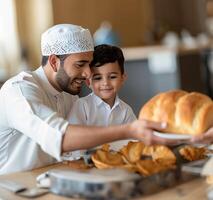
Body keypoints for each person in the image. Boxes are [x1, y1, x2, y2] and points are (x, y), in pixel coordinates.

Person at [0, 24, 167, 175]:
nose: (88, 73)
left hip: (51, 179)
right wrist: (129, 130)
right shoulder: (19, 91)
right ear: (53, 62)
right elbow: (60, 136)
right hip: (12, 188)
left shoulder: (69, 94)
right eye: (80, 65)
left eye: (89, 64)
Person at [68, 44, 136, 154]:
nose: (105, 83)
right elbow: (74, 144)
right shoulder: (82, 106)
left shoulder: (126, 111)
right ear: (88, 82)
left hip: (117, 164)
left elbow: (134, 141)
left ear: (122, 79)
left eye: (112, 77)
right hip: (86, 164)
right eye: (98, 78)